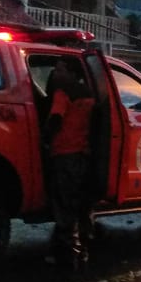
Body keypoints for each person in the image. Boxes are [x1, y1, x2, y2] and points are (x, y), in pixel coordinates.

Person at [43, 58, 97, 269]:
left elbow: (56, 118)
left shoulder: (62, 92)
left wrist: (45, 139)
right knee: (82, 205)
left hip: (64, 154)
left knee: (64, 206)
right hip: (83, 155)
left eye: (60, 69)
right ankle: (83, 249)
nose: (56, 73)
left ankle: (66, 256)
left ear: (72, 73)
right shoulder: (89, 94)